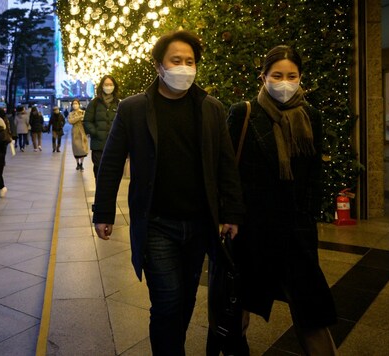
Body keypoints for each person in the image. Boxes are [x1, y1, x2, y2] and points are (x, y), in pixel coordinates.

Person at [91, 30, 244, 355]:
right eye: (177, 60)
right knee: (168, 299)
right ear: (159, 65)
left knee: (186, 298)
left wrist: (231, 213)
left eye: (190, 61)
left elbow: (225, 165)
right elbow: (112, 162)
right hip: (157, 224)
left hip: (199, 224)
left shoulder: (211, 109)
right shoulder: (134, 109)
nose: (184, 67)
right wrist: (103, 212)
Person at [221, 45, 338, 356]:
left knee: (311, 308)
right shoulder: (243, 113)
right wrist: (230, 215)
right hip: (253, 230)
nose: (284, 82)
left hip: (296, 231)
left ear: (300, 78)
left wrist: (310, 216)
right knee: (239, 303)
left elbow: (314, 171)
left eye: (292, 75)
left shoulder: (311, 116)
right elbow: (228, 171)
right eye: (277, 75)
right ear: (263, 77)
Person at [84, 75, 121, 178]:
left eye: (110, 84)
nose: (108, 87)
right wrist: (95, 132)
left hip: (114, 146)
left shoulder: (118, 103)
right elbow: (87, 121)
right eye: (106, 84)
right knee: (100, 172)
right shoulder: (94, 103)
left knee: (112, 174)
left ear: (114, 86)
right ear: (101, 86)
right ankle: (100, 193)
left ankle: (109, 193)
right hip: (98, 146)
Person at [67, 99, 88, 170]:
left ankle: (81, 163)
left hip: (82, 132)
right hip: (75, 132)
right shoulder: (71, 113)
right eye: (73, 104)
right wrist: (79, 117)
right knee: (76, 148)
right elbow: (70, 121)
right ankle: (77, 163)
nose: (75, 105)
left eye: (76, 103)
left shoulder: (83, 112)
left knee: (82, 148)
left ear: (79, 104)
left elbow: (86, 120)